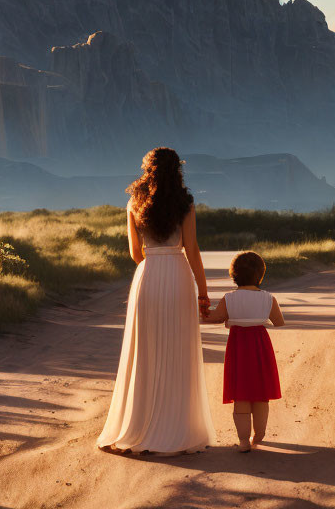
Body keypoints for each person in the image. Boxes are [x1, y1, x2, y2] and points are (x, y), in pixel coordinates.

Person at [97, 147, 216, 454]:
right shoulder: (186, 204)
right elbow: (192, 249)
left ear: (147, 170)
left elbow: (136, 254)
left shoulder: (133, 203)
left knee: (145, 353)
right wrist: (203, 293)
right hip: (177, 276)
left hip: (148, 277)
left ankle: (138, 425)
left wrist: (154, 255)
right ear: (177, 171)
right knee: (178, 349)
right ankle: (176, 428)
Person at [201, 251, 285, 451]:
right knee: (260, 392)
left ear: (234, 275)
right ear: (261, 274)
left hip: (238, 346)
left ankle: (243, 440)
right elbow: (279, 322)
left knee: (241, 393)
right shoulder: (268, 298)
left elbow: (213, 318)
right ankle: (260, 434)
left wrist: (203, 309)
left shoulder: (229, 299)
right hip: (260, 346)